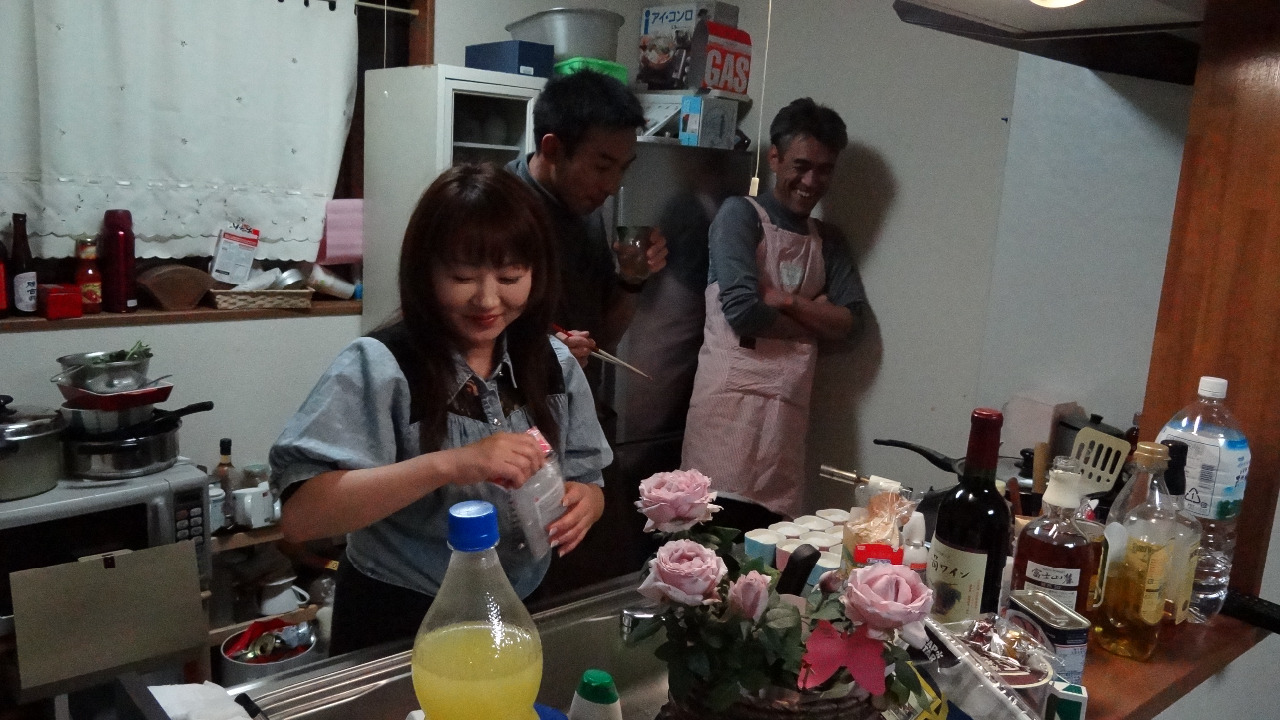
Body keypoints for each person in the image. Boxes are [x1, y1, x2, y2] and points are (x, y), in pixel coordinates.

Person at [269, 164, 611, 655]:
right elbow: (303, 517)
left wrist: (588, 503)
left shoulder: (552, 362)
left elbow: (588, 476)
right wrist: (452, 464)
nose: (488, 299)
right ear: (424, 272)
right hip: (401, 614)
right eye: (462, 277)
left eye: (510, 276)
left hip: (521, 601)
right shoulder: (381, 367)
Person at [680, 98, 868, 532]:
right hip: (725, 418)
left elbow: (853, 326)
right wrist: (818, 318)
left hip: (784, 423)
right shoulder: (739, 216)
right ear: (775, 158)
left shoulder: (829, 240)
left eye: (824, 170)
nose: (811, 181)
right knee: (710, 545)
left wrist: (785, 301)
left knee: (771, 549)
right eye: (801, 165)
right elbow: (744, 312)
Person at [505, 70, 668, 385]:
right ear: (553, 149)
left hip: (577, 402)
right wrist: (545, 353)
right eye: (602, 167)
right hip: (518, 405)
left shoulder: (586, 210)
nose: (613, 186)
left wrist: (631, 278)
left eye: (623, 168)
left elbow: (603, 340)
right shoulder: (498, 210)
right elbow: (462, 343)